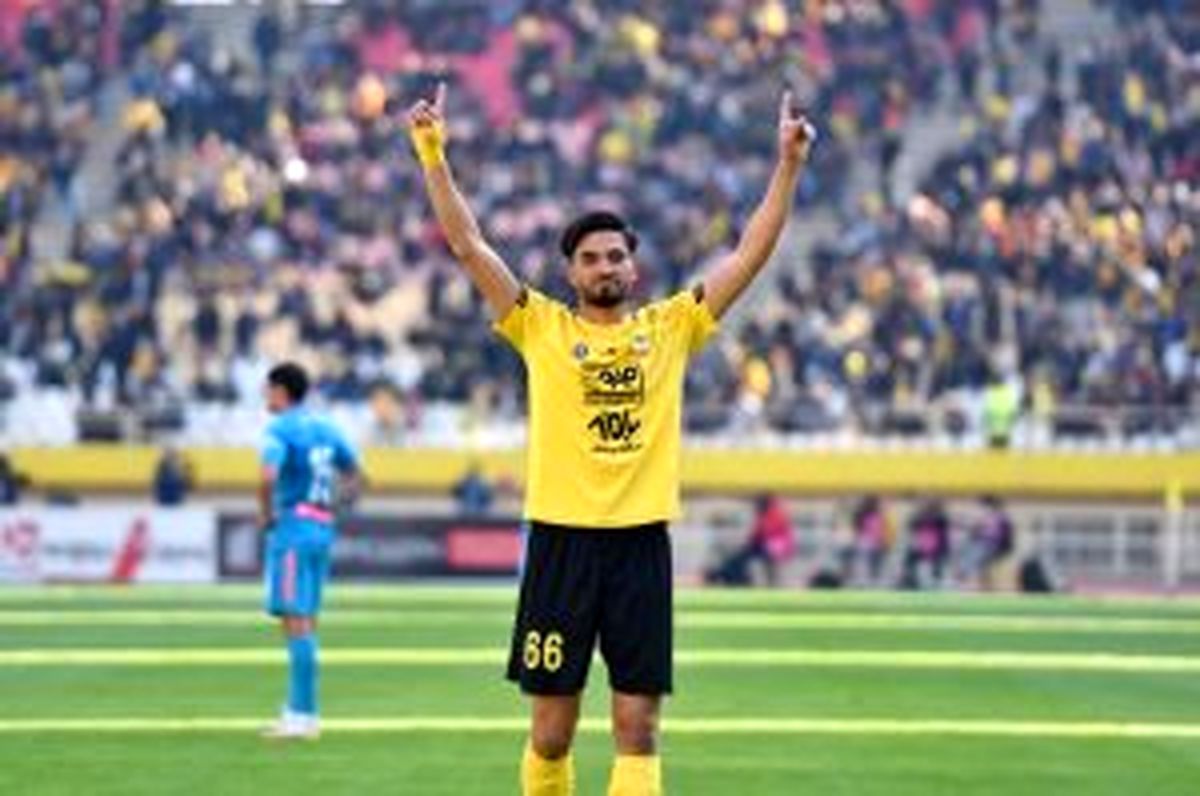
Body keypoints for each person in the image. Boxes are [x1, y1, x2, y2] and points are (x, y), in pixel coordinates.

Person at [408, 82, 815, 796]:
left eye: (616, 256)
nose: (605, 267)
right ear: (571, 273)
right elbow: (468, 246)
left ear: (633, 267)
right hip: (560, 541)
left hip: (639, 546)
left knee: (639, 726)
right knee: (551, 732)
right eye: (592, 258)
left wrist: (787, 164)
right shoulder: (540, 326)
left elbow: (750, 254)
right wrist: (432, 153)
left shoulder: (670, 327)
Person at [257, 362, 363, 740]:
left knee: (295, 622)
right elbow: (355, 472)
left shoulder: (279, 429)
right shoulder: (326, 427)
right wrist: (335, 505)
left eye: (268, 389)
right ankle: (300, 710)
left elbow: (268, 475)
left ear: (281, 391)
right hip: (321, 527)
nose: (265, 396)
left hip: (292, 530)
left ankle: (302, 716)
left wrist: (266, 514)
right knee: (308, 621)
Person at [705, 494, 796, 587]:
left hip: (775, 548)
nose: (756, 508)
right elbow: (758, 534)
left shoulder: (774, 515)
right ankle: (727, 574)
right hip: (767, 546)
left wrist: (753, 540)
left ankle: (723, 574)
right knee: (742, 556)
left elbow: (764, 533)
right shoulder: (767, 515)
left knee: (744, 555)